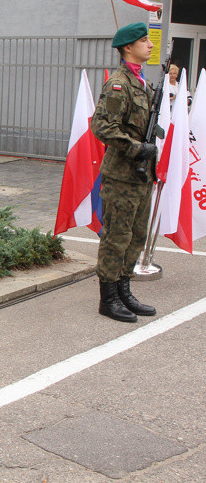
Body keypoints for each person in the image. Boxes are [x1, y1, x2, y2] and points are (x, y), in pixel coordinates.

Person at [90, 22, 158, 323]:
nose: (151, 45)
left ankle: (124, 291)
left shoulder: (142, 82)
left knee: (137, 235)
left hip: (142, 175)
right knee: (117, 236)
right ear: (127, 47)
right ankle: (108, 298)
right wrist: (136, 148)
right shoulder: (119, 83)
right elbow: (102, 127)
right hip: (122, 174)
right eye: (144, 41)